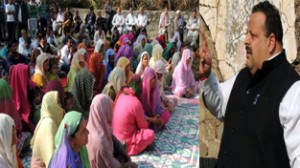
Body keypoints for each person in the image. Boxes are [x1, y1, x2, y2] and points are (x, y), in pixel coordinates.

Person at [199, 1, 300, 167]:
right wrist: (206, 76)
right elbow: (219, 103)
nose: (245, 40)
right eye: (246, 34)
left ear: (271, 41)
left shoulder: (293, 92)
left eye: (252, 36)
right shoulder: (243, 77)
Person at [86, 94, 136, 168]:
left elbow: (113, 139)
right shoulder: (100, 140)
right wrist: (128, 164)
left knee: (122, 146)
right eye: (110, 108)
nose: (112, 111)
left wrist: (124, 152)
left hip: (107, 158)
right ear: (104, 110)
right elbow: (112, 164)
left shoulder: (93, 125)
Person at [112, 75, 155, 156]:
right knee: (150, 134)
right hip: (125, 143)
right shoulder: (136, 102)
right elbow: (143, 126)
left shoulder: (121, 95)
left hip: (115, 139)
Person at [30, 91, 65, 168]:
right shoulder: (49, 124)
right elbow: (52, 161)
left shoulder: (48, 121)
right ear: (50, 106)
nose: (60, 107)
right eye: (57, 103)